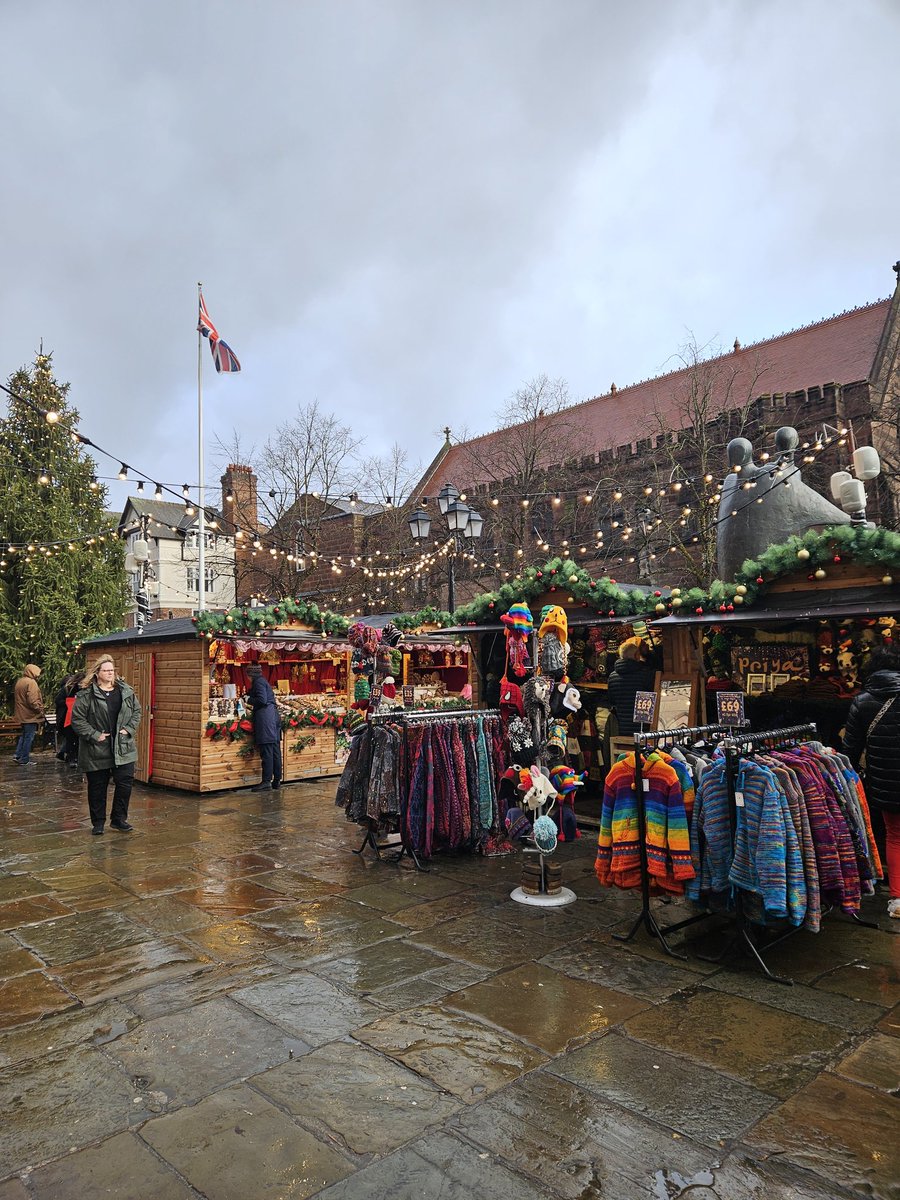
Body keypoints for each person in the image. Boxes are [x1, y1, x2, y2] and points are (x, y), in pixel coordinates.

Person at [842, 646, 900, 919]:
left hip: (885, 781)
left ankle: (898, 900)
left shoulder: (862, 701)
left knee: (895, 836)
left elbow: (850, 749)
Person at [70, 654, 142, 835]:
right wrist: (95, 735)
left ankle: (119, 819)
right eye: (106, 670)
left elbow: (137, 711)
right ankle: (98, 823)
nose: (110, 673)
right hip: (96, 748)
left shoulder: (125, 691)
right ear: (97, 673)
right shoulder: (86, 695)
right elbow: (77, 720)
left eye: (112, 670)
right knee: (97, 787)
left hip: (123, 746)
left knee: (125, 784)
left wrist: (129, 729)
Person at [606, 636, 659, 738]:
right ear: (636, 655)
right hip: (643, 729)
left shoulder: (612, 677)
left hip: (621, 729)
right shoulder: (646, 674)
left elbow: (612, 700)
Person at [246, 663, 282, 792]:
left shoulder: (258, 682)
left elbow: (262, 700)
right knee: (274, 750)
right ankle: (277, 780)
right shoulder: (262, 681)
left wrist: (248, 699)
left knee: (267, 750)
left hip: (266, 720)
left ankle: (266, 781)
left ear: (251, 675)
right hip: (272, 718)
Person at [13, 664, 44, 766]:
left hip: (22, 714)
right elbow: (32, 700)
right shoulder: (31, 683)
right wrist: (40, 710)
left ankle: (18, 755)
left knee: (24, 735)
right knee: (29, 737)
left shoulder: (20, 681)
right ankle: (24, 759)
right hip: (30, 715)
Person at [54, 673, 83, 766]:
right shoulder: (67, 689)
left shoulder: (84, 689)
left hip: (77, 717)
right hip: (67, 717)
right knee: (71, 739)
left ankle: (73, 757)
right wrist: (69, 702)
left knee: (75, 739)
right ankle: (71, 758)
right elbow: (58, 701)